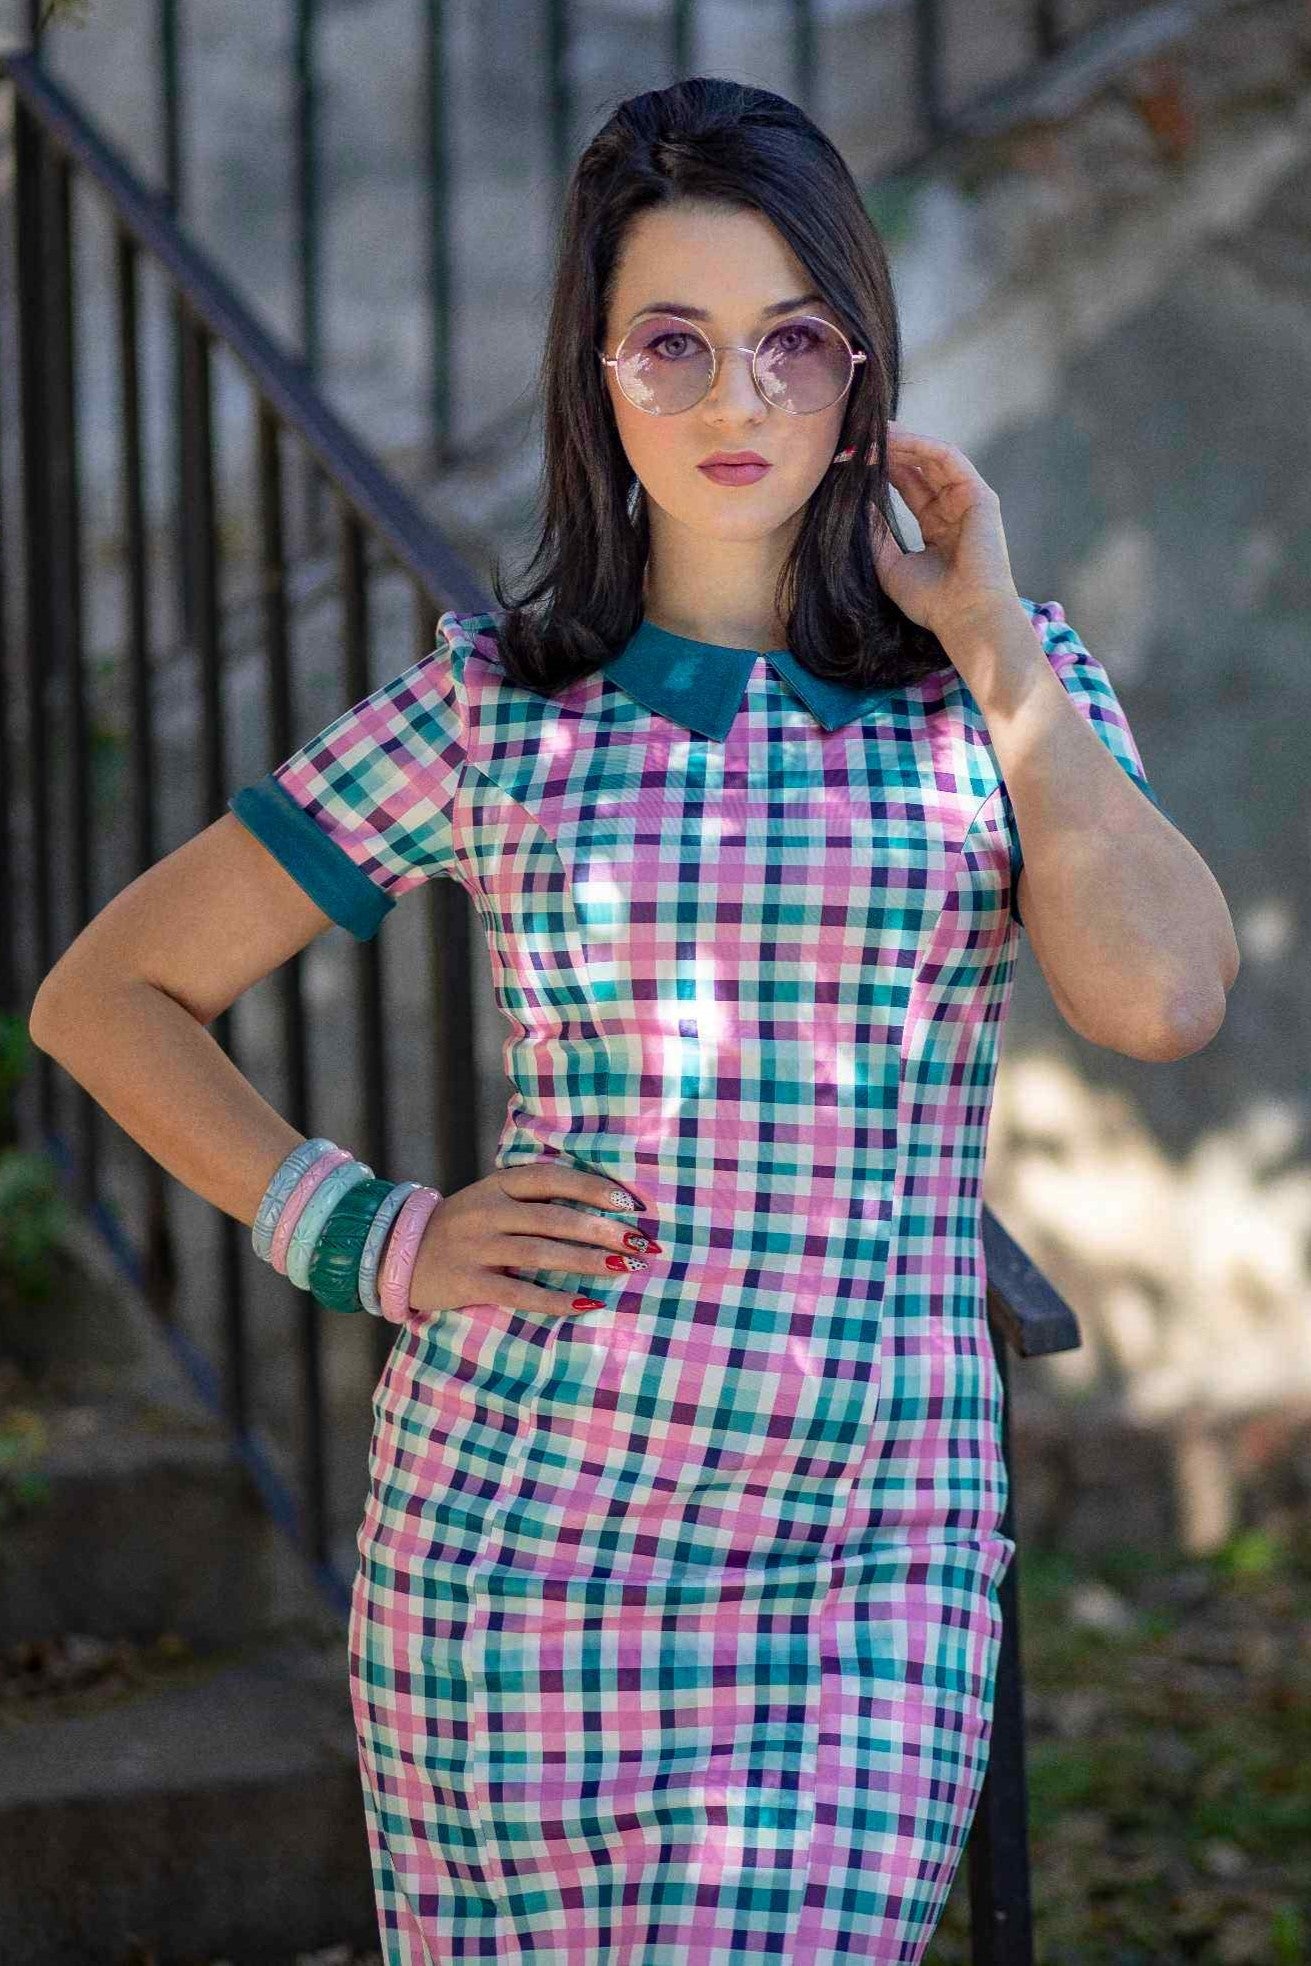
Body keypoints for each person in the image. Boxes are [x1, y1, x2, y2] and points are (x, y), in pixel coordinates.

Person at [28, 74, 1238, 1966]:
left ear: (864, 361)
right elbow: (106, 994)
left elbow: (1161, 996)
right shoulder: (495, 705)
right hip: (518, 1547)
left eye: (793, 342)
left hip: (864, 1535)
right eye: (670, 343)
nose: (736, 401)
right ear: (595, 371)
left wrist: (993, 642)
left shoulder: (1000, 695)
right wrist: (379, 1235)